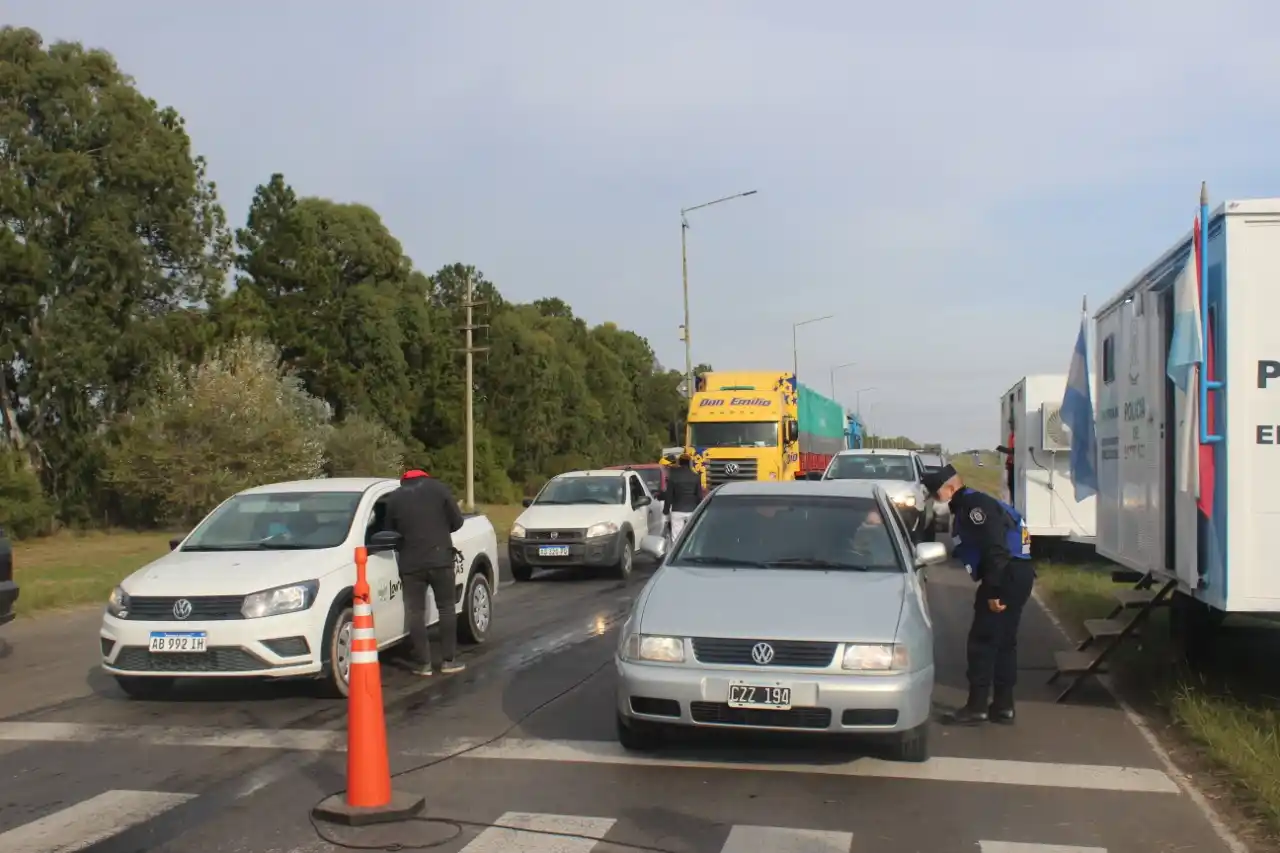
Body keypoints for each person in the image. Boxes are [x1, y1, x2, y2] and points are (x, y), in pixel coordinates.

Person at [922, 463, 1035, 725]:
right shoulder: (971, 503)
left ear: (950, 487)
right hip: (1016, 573)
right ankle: (1003, 707)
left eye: (935, 493)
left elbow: (996, 549)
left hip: (1005, 575)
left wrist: (994, 591)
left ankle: (977, 707)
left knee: (982, 643)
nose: (935, 499)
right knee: (1005, 643)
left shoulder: (975, 508)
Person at [385, 469, 466, 676]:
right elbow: (457, 522)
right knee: (447, 608)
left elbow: (388, 530)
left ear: (404, 481)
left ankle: (424, 664)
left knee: (415, 612)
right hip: (441, 559)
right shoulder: (439, 489)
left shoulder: (395, 497)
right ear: (426, 477)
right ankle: (449, 661)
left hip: (411, 563)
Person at [663, 453, 704, 541]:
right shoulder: (696, 477)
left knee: (676, 537)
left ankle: (677, 554)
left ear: (679, 463)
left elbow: (669, 495)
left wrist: (666, 510)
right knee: (692, 535)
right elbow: (699, 496)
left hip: (677, 510)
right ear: (690, 463)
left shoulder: (673, 477)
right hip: (692, 511)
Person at [996, 418, 1016, 505]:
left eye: (1012, 424)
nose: (1011, 426)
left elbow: (1014, 451)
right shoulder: (1011, 436)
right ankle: (1011, 504)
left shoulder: (1016, 437)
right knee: (1009, 485)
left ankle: (1013, 504)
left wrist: (1003, 449)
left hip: (1014, 464)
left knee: (1012, 486)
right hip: (1010, 464)